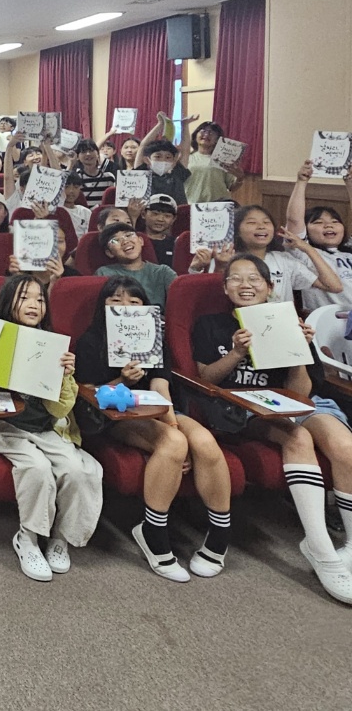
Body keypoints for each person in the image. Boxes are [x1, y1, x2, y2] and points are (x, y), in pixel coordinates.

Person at [192, 254, 352, 602]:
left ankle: (351, 545)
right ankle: (320, 547)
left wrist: (298, 351)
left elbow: (300, 393)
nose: (245, 285)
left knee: (345, 445)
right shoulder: (210, 324)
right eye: (236, 278)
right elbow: (207, 379)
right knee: (298, 436)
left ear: (269, 286)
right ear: (225, 287)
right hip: (245, 406)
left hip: (293, 401)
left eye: (254, 279)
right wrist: (236, 353)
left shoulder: (288, 321)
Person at [73, 275, 232, 581]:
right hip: (115, 414)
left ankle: (220, 533)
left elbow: (161, 386)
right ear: (103, 306)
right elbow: (88, 393)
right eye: (115, 300)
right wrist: (123, 381)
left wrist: (171, 422)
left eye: (134, 302)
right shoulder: (91, 340)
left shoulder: (152, 338)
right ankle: (153, 531)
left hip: (154, 407)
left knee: (203, 441)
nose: (125, 307)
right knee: (173, 442)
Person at [0, 274, 101, 581]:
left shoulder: (51, 344)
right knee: (37, 467)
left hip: (47, 427)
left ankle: (60, 538)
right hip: (4, 426)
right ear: (8, 302)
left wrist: (65, 376)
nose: (33, 304)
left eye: (40, 299)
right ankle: (28, 539)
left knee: (80, 470)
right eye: (24, 298)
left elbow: (60, 409)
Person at [231, 202, 340, 304]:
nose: (261, 226)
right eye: (252, 223)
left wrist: (307, 248)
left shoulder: (283, 260)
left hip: (282, 317)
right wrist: (222, 266)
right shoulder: (230, 260)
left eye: (266, 222)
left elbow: (334, 286)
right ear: (237, 230)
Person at [284, 159, 352, 308]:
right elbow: (294, 220)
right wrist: (301, 181)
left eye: (335, 221)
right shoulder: (303, 253)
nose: (328, 225)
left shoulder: (348, 251)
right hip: (329, 318)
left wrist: (349, 183)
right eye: (318, 222)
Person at [96, 222, 178, 305]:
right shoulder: (104, 273)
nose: (125, 241)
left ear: (141, 241)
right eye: (116, 240)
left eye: (128, 235)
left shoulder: (163, 272)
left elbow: (179, 303)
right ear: (109, 252)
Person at [186, 121, 239, 203]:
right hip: (190, 203)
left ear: (217, 139)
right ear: (195, 135)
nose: (206, 134)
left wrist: (240, 178)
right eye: (203, 131)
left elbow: (231, 187)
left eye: (211, 133)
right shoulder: (186, 158)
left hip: (217, 205)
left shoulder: (223, 159)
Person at [70, 139, 115, 209]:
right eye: (83, 151)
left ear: (98, 154)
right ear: (77, 156)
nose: (88, 154)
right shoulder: (75, 178)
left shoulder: (109, 177)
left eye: (91, 150)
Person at [141, 194, 179, 268]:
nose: (160, 219)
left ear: (173, 219)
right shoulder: (136, 240)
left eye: (167, 216)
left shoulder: (176, 244)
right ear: (143, 214)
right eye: (155, 214)